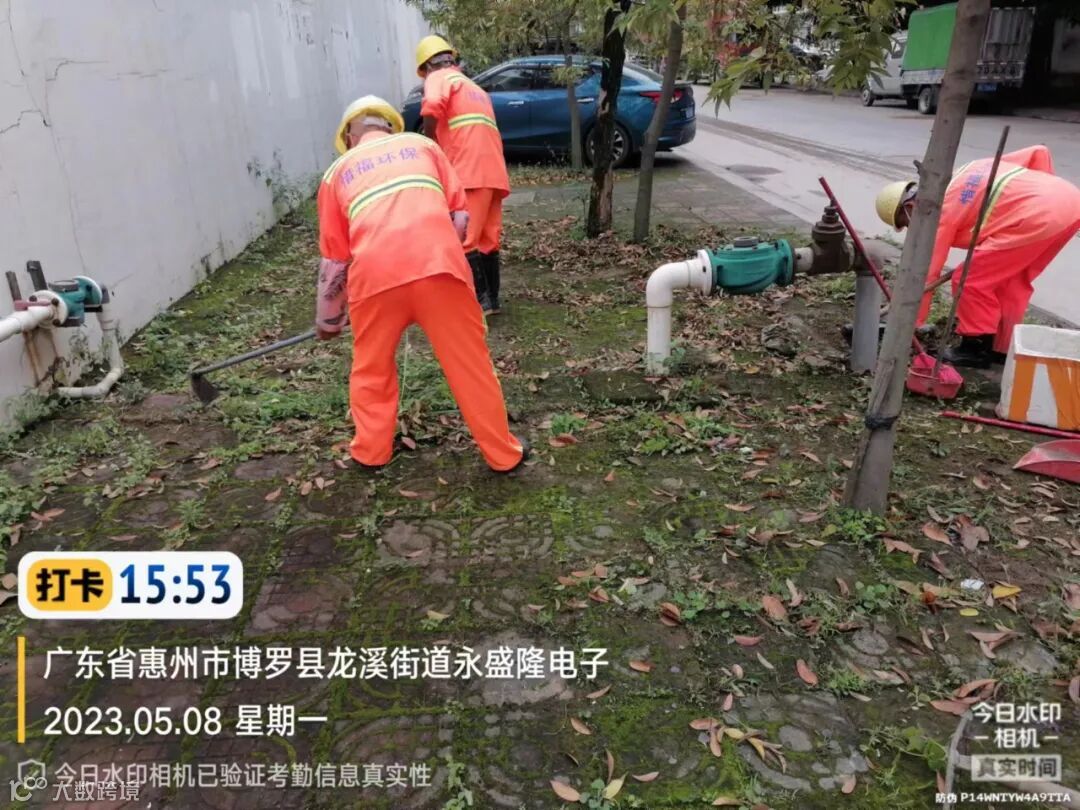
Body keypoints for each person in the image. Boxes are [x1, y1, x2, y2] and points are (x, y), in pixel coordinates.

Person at [315, 95, 528, 472]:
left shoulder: (336, 174)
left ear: (349, 136)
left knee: (372, 370)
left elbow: (335, 259)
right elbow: (460, 216)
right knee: (470, 366)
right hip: (440, 271)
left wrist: (329, 320)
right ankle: (503, 455)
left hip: (375, 281)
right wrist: (440, 252)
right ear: (390, 126)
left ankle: (370, 454)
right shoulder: (423, 146)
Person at [876, 145, 1080, 368]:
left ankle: (975, 349)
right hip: (1068, 203)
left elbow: (925, 271)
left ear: (910, 206)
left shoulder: (938, 212)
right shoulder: (967, 171)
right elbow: (1038, 152)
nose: (911, 229)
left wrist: (909, 322)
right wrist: (1042, 190)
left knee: (969, 279)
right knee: (1011, 282)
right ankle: (1003, 349)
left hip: (1035, 217)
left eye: (905, 223)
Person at [415, 34, 510, 314]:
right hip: (494, 172)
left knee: (466, 237)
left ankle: (479, 301)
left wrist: (430, 142)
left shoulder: (438, 78)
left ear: (428, 66)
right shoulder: (474, 88)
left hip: (467, 170)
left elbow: (432, 107)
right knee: (488, 239)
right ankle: (493, 300)